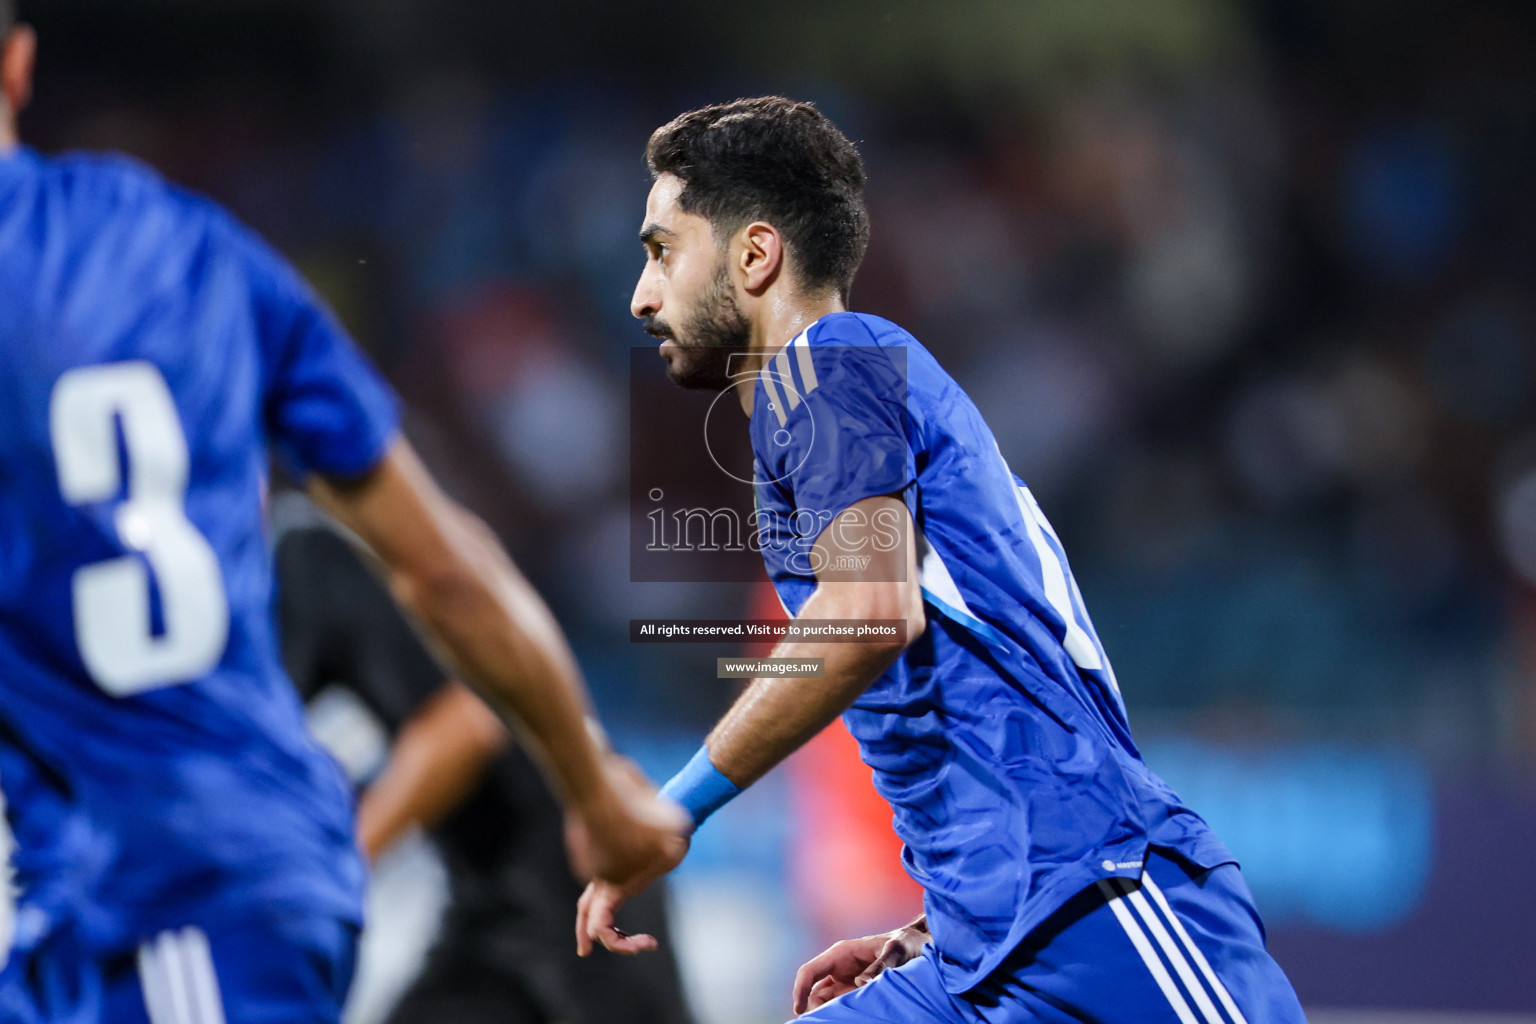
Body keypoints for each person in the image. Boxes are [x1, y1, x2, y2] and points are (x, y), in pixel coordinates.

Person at [0, 6, 683, 1022]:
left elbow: (463, 705)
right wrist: (598, 788)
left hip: (171, 890)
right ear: (19, 64)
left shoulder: (313, 560)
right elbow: (449, 562)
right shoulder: (197, 247)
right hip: (158, 892)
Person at [577, 96, 1308, 1023]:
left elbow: (873, 616)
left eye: (660, 251)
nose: (642, 295)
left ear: (755, 255)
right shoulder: (833, 400)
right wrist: (936, 924)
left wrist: (672, 810)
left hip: (1099, 909)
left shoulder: (830, 362)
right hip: (982, 943)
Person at [274, 505, 694, 1024]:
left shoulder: (312, 555)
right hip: (494, 906)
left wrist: (342, 868)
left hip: (580, 889)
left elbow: (462, 722)